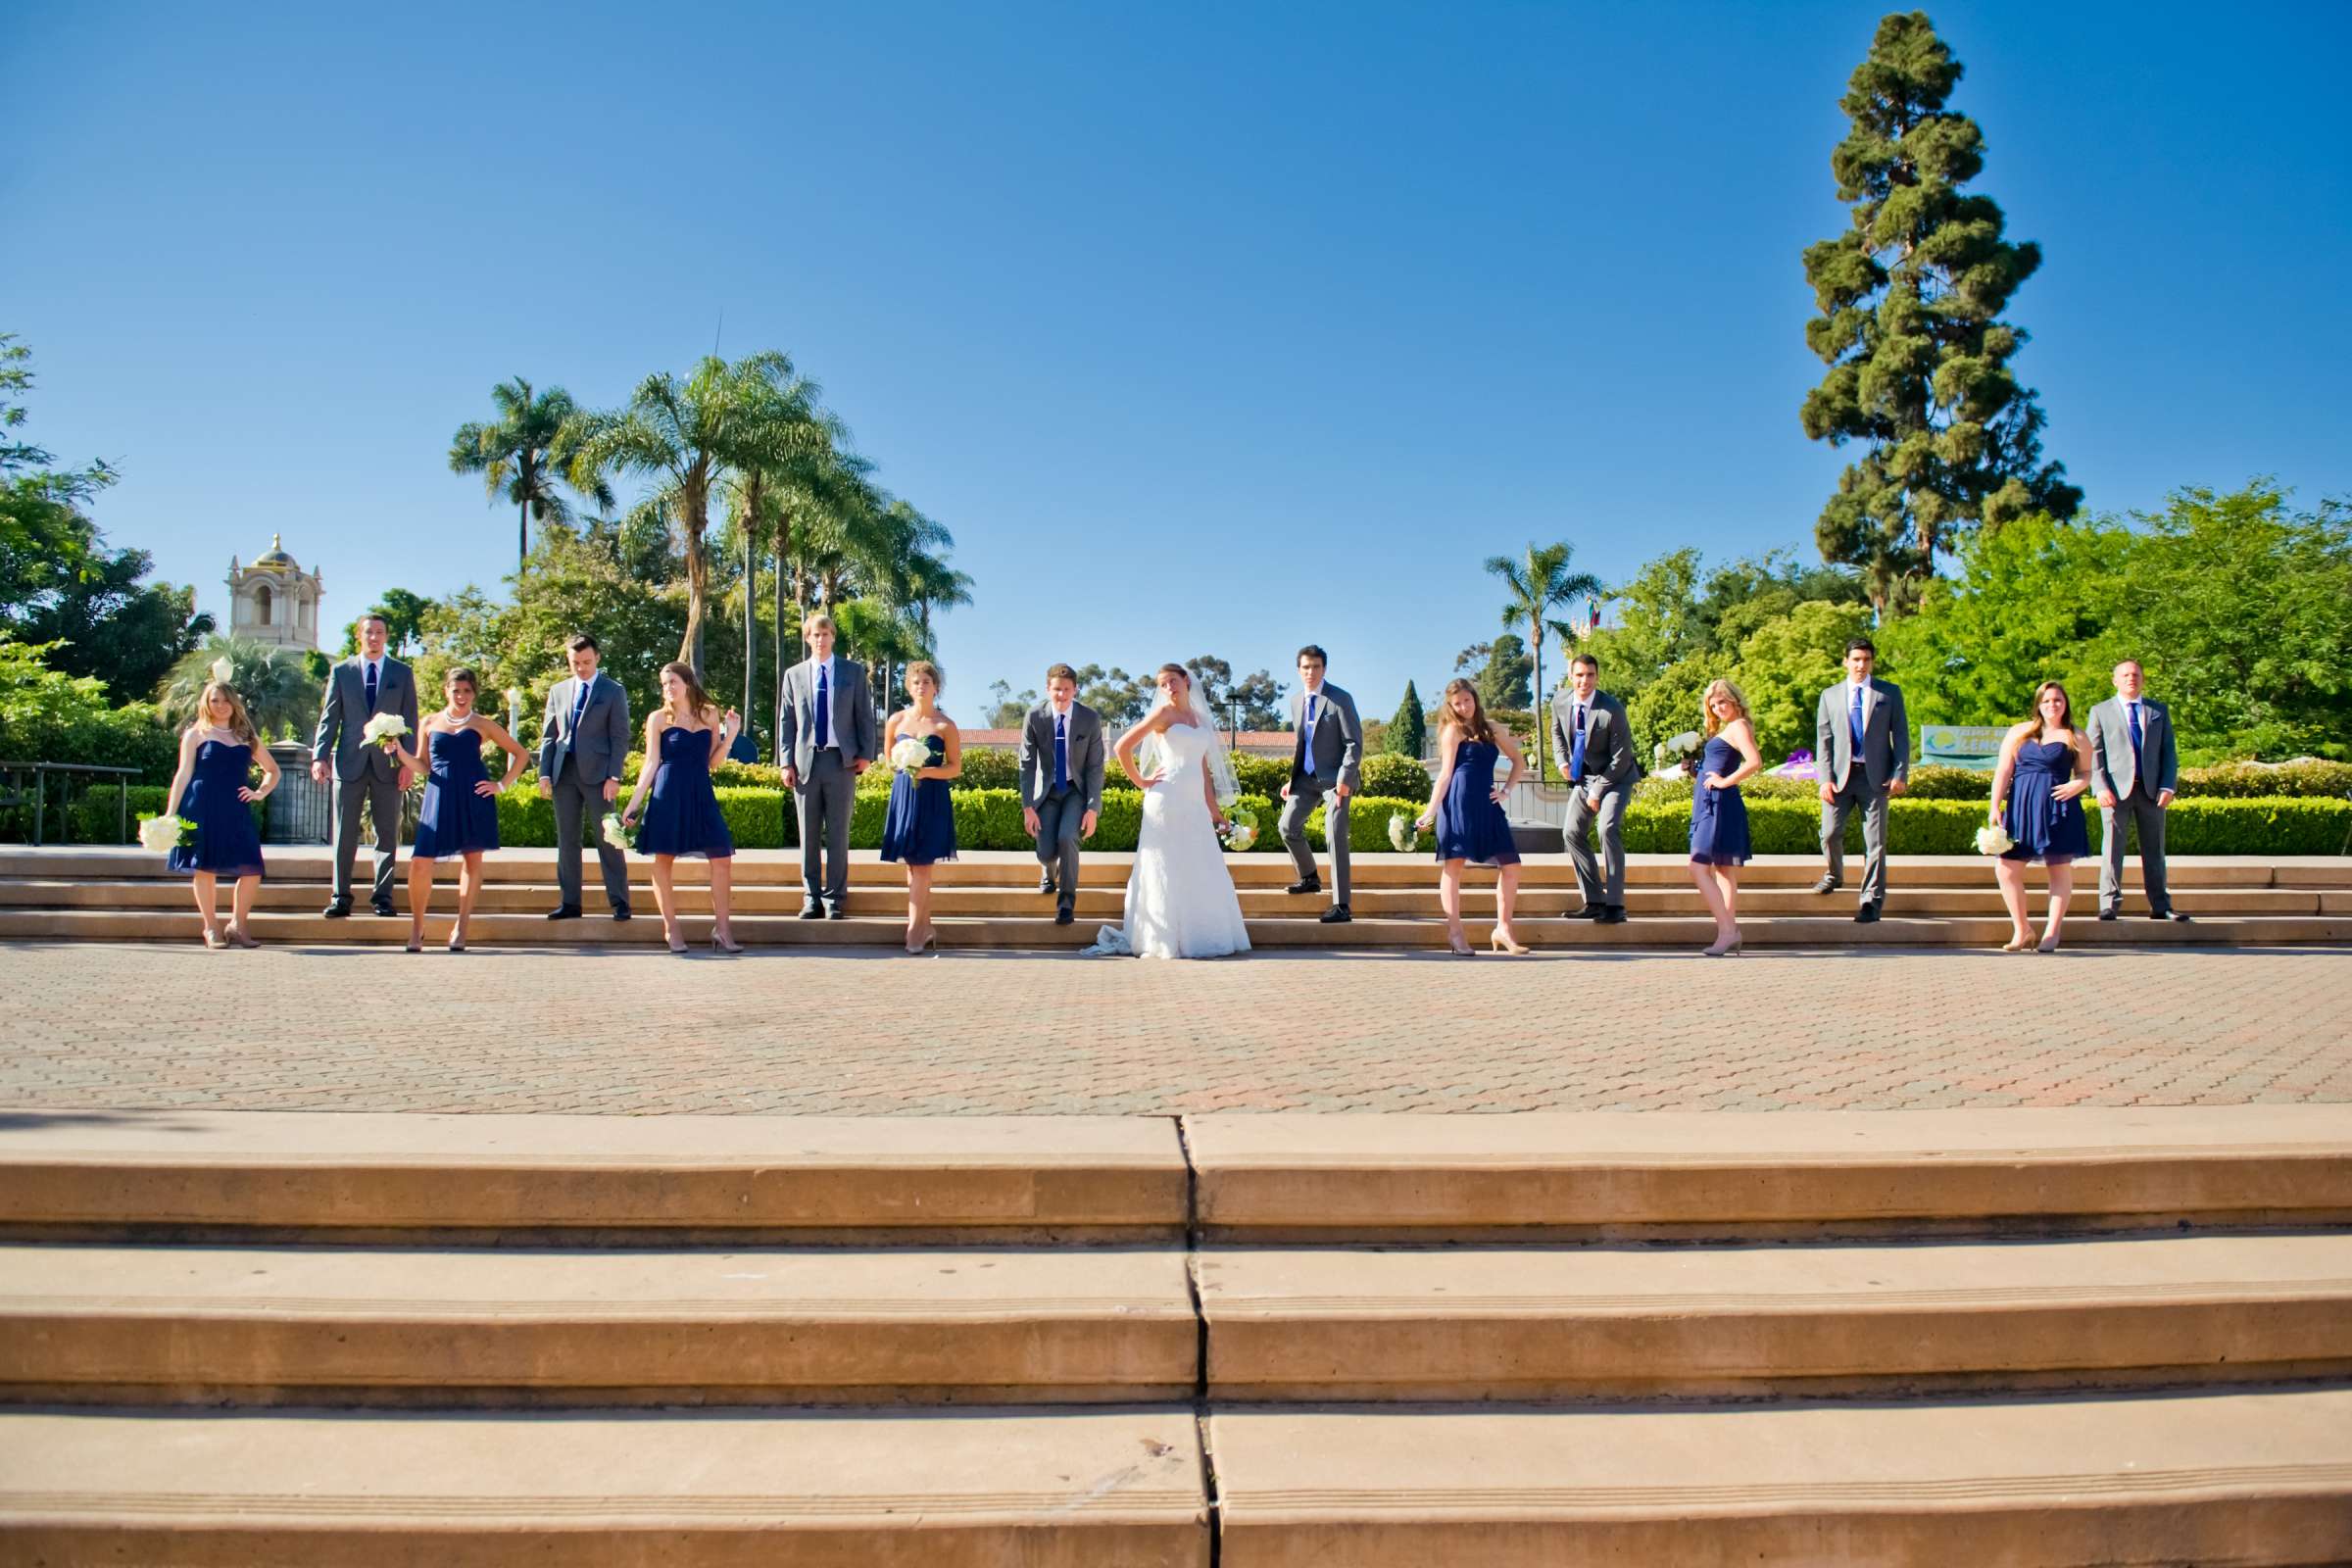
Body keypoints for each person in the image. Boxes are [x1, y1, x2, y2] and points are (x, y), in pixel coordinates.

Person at [1096, 663, 1250, 959]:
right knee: (1165, 866)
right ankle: (1164, 939)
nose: (1169, 688)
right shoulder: (1163, 715)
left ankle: (1199, 936)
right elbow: (1122, 747)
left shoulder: (1200, 718)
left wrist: (1213, 808)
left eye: (1173, 681)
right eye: (1163, 684)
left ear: (1186, 681)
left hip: (1194, 803)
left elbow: (1204, 768)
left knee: (1199, 863)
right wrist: (1141, 780)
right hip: (1165, 799)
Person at [388, 666, 527, 954]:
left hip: (473, 796)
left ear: (474, 693)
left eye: (467, 691)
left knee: (472, 861)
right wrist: (400, 754)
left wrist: (500, 785)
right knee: (420, 861)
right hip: (438, 797)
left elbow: (521, 753)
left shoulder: (482, 724)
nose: (461, 696)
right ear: (446, 691)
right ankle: (417, 928)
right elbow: (423, 766)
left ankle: (461, 926)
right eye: (456, 690)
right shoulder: (429, 722)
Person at [620, 662, 743, 956]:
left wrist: (732, 735)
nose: (668, 688)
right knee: (663, 859)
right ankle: (671, 928)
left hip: (700, 791)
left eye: (672, 682)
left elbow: (712, 762)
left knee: (722, 856)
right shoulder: (658, 719)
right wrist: (633, 805)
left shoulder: (709, 714)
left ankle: (723, 930)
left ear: (687, 682)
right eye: (664, 684)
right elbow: (651, 763)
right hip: (668, 792)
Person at [310, 612, 418, 918]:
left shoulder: (401, 673)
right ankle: (340, 897)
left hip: (389, 765)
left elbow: (411, 719)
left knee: (386, 834)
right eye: (369, 632)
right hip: (349, 763)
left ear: (386, 637)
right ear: (360, 635)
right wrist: (320, 755)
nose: (374, 637)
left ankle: (382, 898)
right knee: (344, 835)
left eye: (380, 632)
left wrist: (408, 763)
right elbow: (329, 716)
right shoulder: (342, 671)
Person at [1413, 678, 1529, 956]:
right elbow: (1445, 775)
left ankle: (1503, 929)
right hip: (1458, 802)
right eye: (1457, 703)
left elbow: (1518, 760)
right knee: (1453, 866)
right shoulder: (1453, 730)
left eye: (1467, 700)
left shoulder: (1492, 729)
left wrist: (1506, 791)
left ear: (1475, 698)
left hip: (1487, 805)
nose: (1463, 707)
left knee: (1511, 865)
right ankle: (1455, 933)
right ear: (1450, 706)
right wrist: (1430, 811)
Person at [163, 681, 278, 949]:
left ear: (234, 703)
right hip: (200, 806)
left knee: (252, 867)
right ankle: (211, 927)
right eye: (215, 700)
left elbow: (273, 770)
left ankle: (237, 924)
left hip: (235, 809)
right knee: (205, 867)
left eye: (226, 700)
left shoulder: (247, 735)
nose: (221, 706)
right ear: (206, 703)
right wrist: (171, 812)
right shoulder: (196, 734)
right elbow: (183, 774)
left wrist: (259, 792)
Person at [779, 612, 878, 919]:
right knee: (808, 836)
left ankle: (835, 898)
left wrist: (866, 754)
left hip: (841, 762)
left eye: (825, 634)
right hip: (806, 762)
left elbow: (864, 715)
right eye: (814, 635)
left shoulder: (853, 672)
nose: (820, 640)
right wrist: (785, 762)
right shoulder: (794, 675)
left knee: (838, 834)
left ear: (833, 636)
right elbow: (787, 721)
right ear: (807, 638)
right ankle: (812, 897)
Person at [1990, 680, 2095, 953]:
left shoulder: (2075, 735)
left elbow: (2086, 773)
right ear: (2038, 703)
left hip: (2058, 808)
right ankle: (2022, 929)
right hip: (2020, 807)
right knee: (2006, 868)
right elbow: (2003, 771)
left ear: (2066, 703)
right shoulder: (2019, 732)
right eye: (2047, 700)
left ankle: (2052, 931)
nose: (2052, 705)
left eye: (2058, 700)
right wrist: (1994, 806)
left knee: (2058, 869)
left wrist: (2079, 784)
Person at [536, 633, 632, 923]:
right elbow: (549, 736)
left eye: (586, 662)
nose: (581, 668)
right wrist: (543, 772)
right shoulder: (558, 690)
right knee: (567, 840)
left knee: (610, 839)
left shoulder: (613, 691)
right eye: (575, 663)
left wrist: (614, 775)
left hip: (600, 777)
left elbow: (620, 737)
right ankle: (570, 903)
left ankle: (620, 902)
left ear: (598, 658)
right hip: (563, 773)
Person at [1812, 637, 1910, 923]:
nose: (1861, 665)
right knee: (1829, 833)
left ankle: (1871, 901)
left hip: (1875, 779)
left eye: (1866, 660)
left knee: (1875, 843)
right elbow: (1824, 740)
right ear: (1846, 661)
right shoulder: (1829, 695)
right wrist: (1824, 779)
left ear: (1872, 662)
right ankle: (1834, 875)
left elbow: (1901, 737)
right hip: (1840, 779)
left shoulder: (1888, 693)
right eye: (1855, 659)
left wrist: (1900, 773)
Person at [2089, 659, 2189, 924]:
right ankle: (2108, 905)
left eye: (2135, 674)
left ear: (2142, 679)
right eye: (2125, 675)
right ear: (2115, 680)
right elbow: (2094, 754)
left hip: (2151, 792)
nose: (2130, 678)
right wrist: (2099, 787)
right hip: (2115, 793)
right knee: (2112, 850)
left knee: (2155, 850)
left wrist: (2168, 785)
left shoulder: (2158, 711)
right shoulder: (2101, 711)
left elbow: (2169, 752)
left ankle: (2161, 906)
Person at [1550, 653, 1642, 923]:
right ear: (1571, 676)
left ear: (1597, 677)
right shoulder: (1560, 701)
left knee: (1607, 828)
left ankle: (1615, 905)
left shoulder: (1611, 709)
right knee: (1571, 833)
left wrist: (1597, 790)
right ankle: (1593, 900)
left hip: (1616, 777)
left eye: (1590, 675)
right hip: (1583, 777)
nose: (1584, 681)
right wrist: (1561, 761)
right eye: (1579, 675)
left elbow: (1621, 757)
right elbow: (1556, 733)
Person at [880, 661, 963, 954]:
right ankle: (925, 926)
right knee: (912, 866)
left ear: (936, 688)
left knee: (923, 865)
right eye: (916, 682)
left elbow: (955, 768)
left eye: (926, 682)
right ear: (909, 686)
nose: (921, 686)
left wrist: (926, 771)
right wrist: (903, 763)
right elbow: (888, 760)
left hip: (932, 796)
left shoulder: (945, 725)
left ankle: (913, 933)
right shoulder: (896, 721)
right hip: (904, 794)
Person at [1278, 646, 1364, 925]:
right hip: (1305, 779)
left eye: (1316, 667)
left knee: (1334, 834)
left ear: (1324, 669)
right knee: (1287, 827)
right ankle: (1309, 876)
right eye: (1306, 667)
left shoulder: (1340, 699)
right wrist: (1293, 778)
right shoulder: (1294, 701)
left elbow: (1354, 743)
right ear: (1298, 670)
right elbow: (1304, 744)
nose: (1311, 672)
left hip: (1336, 781)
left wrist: (1344, 781)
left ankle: (1342, 905)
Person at [1020, 664, 1106, 927]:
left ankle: (1066, 904)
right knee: (1046, 851)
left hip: (1075, 791)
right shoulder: (1035, 717)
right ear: (1048, 688)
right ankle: (1048, 869)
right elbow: (1027, 763)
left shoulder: (1089, 719)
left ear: (1075, 689)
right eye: (1057, 689)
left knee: (1068, 838)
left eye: (1067, 689)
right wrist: (1028, 807)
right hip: (1046, 792)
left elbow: (1095, 767)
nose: (1061, 695)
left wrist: (1093, 808)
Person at [1689, 679, 1763, 957]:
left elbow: (1755, 761)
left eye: (1723, 702)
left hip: (1719, 803)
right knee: (1723, 870)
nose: (1718, 707)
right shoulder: (1729, 728)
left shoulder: (1739, 726)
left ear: (1734, 701)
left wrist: (1723, 782)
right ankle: (1727, 933)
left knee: (1697, 867)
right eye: (1714, 704)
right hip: (1713, 802)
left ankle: (1729, 930)